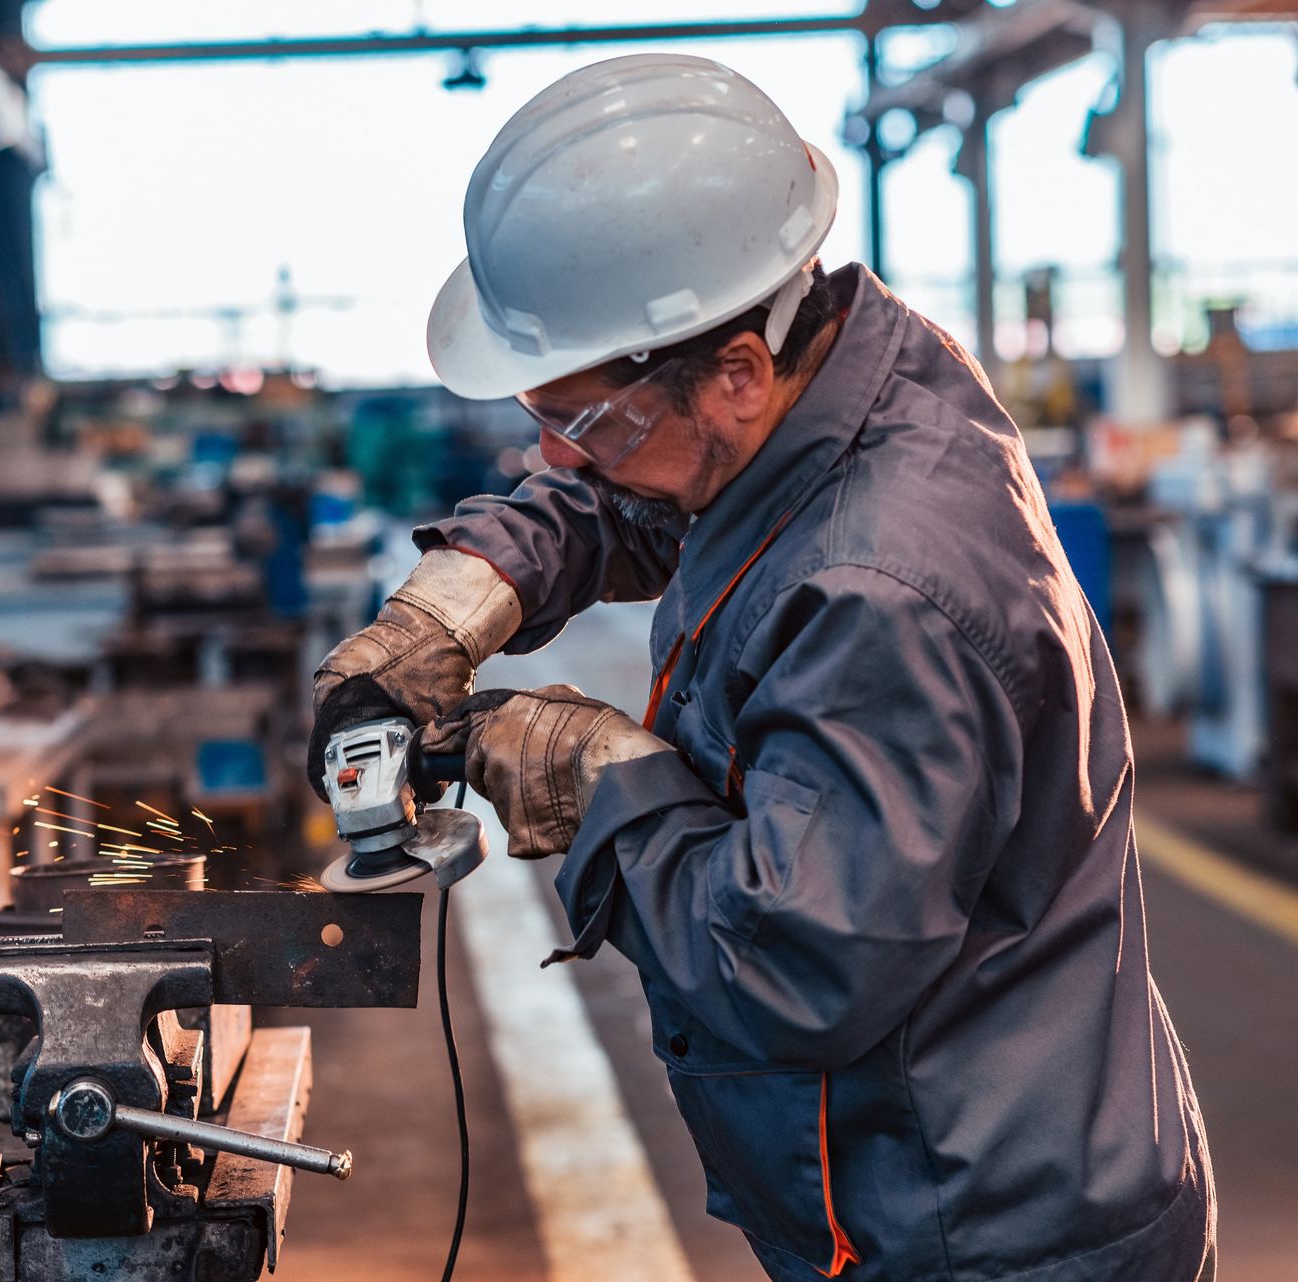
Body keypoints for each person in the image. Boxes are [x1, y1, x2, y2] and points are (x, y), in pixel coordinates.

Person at [310, 55, 1214, 1282]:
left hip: (977, 1228)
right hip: (938, 1172)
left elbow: (788, 963)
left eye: (581, 421)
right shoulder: (830, 376)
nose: (553, 454)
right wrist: (456, 601)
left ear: (735, 368)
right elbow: (637, 496)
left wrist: (596, 778)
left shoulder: (885, 595)